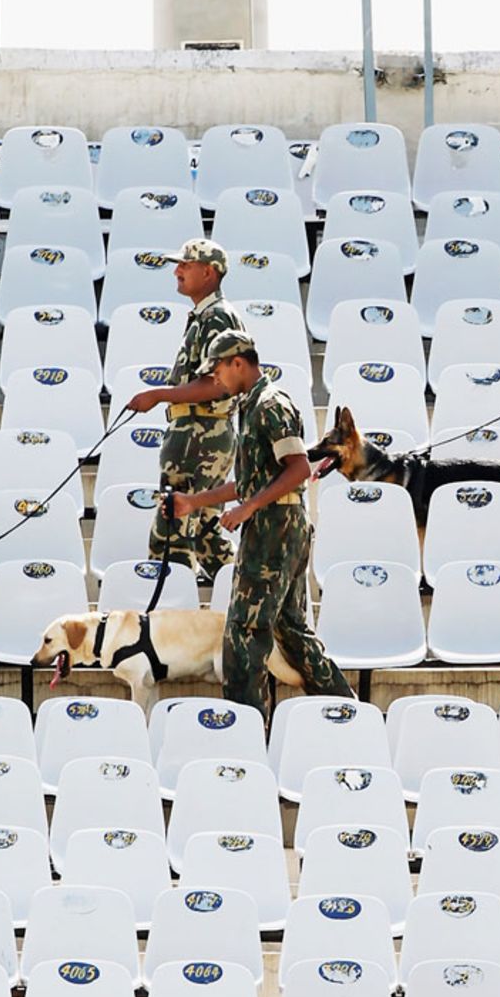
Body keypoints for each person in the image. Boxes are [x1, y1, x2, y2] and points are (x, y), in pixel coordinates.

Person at [171, 330, 355, 726]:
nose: (215, 379)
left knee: (244, 634)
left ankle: (244, 730)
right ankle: (349, 712)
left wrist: (247, 509)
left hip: (274, 530)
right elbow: (253, 480)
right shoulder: (251, 406)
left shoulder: (270, 406)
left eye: (218, 370)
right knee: (291, 630)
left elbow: (299, 469)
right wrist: (194, 502)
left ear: (239, 362)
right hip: (275, 526)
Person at [126, 238, 248, 582]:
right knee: (206, 533)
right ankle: (247, 591)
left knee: (172, 531)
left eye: (185, 265)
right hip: (200, 433)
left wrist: (159, 394)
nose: (177, 271)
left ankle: (167, 614)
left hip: (200, 436)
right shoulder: (206, 316)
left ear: (208, 273)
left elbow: (219, 383)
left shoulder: (217, 317)